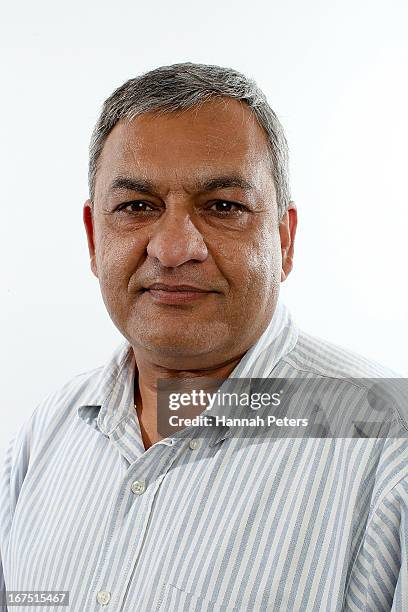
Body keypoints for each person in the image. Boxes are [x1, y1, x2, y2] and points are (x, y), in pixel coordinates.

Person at [0, 62, 407, 612]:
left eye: (222, 206)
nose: (173, 249)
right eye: (136, 207)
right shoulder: (46, 433)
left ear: (284, 241)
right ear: (95, 237)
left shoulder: (388, 443)